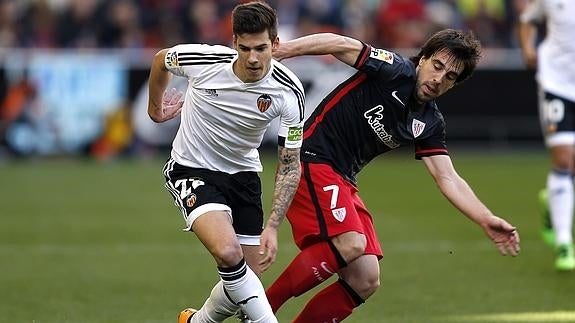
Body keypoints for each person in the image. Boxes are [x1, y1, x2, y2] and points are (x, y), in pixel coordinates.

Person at [265, 29, 521, 322]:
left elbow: (447, 177)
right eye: (437, 66)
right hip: (312, 158)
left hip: (343, 178)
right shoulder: (395, 70)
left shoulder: (429, 122)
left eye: (450, 77)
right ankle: (261, 308)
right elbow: (340, 44)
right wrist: (283, 51)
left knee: (365, 279)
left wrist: (485, 218)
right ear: (422, 59)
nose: (439, 79)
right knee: (351, 243)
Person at [147, 1, 305, 322]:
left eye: (261, 48)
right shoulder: (204, 60)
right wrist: (155, 109)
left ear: (275, 44)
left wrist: (273, 226)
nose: (253, 58)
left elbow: (289, 164)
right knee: (229, 254)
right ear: (234, 42)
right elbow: (160, 59)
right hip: (191, 168)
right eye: (244, 48)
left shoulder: (288, 92)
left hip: (244, 176)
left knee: (245, 284)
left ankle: (196, 321)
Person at [518, 0, 575, 272]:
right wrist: (528, 49)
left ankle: (553, 202)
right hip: (557, 84)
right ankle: (564, 242)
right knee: (564, 158)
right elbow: (527, 19)